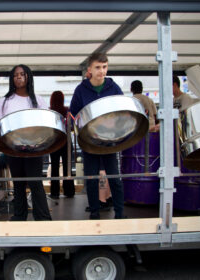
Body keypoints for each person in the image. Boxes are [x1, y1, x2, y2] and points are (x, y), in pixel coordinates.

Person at [69, 53, 124, 220]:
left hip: (110, 141)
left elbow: (122, 112)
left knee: (114, 178)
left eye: (105, 67)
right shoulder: (81, 90)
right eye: (98, 67)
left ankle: (120, 213)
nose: (102, 71)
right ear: (90, 69)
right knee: (91, 179)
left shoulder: (114, 88)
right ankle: (94, 211)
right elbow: (73, 115)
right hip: (90, 141)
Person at [0, 64, 52, 221]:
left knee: (35, 183)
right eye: (15, 75)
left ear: (28, 77)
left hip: (34, 148)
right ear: (12, 79)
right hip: (14, 148)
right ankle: (20, 216)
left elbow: (45, 123)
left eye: (22, 74)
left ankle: (43, 218)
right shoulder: (5, 101)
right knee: (18, 184)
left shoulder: (38, 100)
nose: (18, 77)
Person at [48, 90, 75, 199]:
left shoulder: (50, 112)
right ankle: (69, 192)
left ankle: (55, 193)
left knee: (54, 167)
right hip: (67, 142)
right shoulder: (68, 111)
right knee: (67, 167)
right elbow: (72, 127)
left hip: (54, 142)